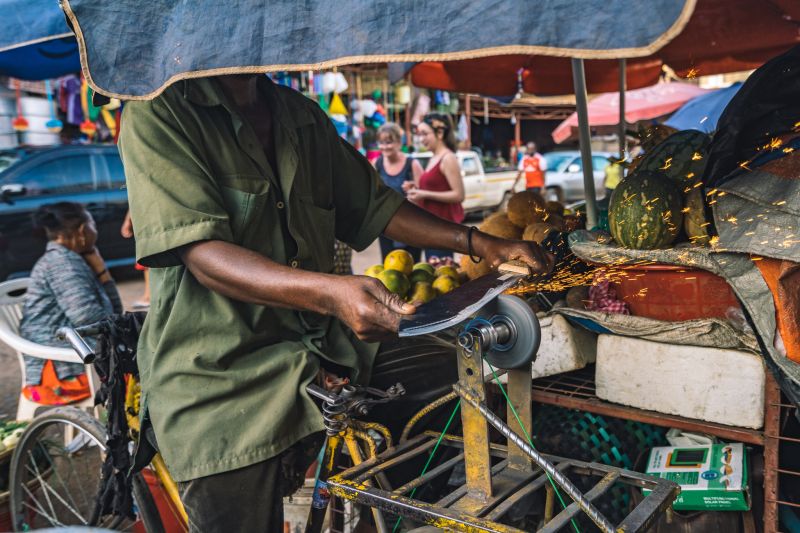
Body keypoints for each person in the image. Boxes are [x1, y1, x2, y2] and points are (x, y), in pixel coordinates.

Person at [118, 74, 553, 532]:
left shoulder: (299, 115)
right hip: (219, 371)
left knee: (448, 376)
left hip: (323, 344)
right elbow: (205, 255)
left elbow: (376, 207)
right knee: (233, 493)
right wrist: (331, 293)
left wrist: (479, 242)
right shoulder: (159, 112)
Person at [19, 202, 123, 405]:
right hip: (61, 373)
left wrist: (101, 271)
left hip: (76, 358)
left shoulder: (69, 259)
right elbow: (89, 318)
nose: (95, 230)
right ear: (83, 230)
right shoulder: (61, 264)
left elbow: (114, 314)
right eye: (93, 224)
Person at [403, 112, 465, 261]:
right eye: (419, 135)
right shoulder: (434, 157)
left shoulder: (448, 158)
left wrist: (424, 194)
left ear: (440, 133)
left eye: (425, 134)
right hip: (431, 227)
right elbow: (437, 186)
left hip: (442, 229)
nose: (421, 139)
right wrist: (416, 187)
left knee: (442, 271)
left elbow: (459, 195)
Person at [372, 122, 424, 262]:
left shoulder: (412, 164)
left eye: (388, 142)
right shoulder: (377, 163)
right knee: (389, 266)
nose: (384, 147)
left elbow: (423, 195)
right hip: (386, 227)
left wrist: (413, 191)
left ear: (398, 143)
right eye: (381, 142)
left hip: (411, 226)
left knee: (412, 266)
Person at [120, 209, 150, 308]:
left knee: (148, 256)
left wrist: (128, 219)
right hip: (148, 218)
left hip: (149, 218)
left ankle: (148, 296)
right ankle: (148, 295)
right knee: (148, 257)